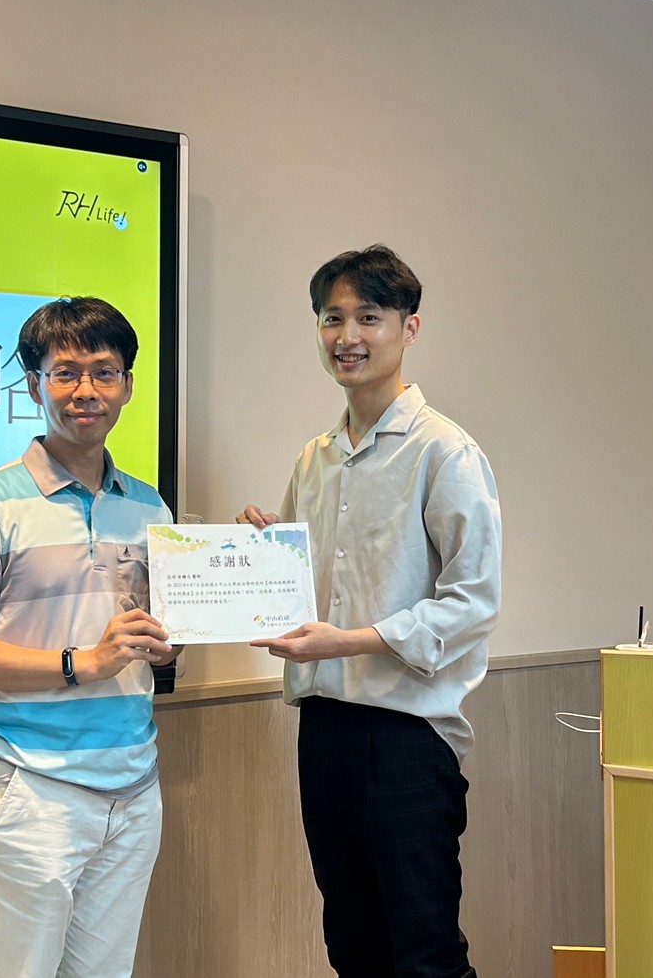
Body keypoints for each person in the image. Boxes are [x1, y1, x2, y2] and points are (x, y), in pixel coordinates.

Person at [238, 245, 501, 978]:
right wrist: (264, 556)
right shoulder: (314, 458)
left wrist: (349, 640)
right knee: (352, 948)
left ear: (408, 328)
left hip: (407, 734)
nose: (346, 336)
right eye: (332, 319)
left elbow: (472, 602)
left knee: (425, 955)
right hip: (323, 727)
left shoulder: (445, 452)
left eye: (368, 318)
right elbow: (303, 592)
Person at [0, 296, 178, 978]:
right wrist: (81, 662)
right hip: (31, 786)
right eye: (65, 373)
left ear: (127, 384)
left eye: (104, 372)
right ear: (34, 384)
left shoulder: (148, 505)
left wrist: (240, 569)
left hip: (134, 786)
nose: (85, 390)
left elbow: (162, 639)